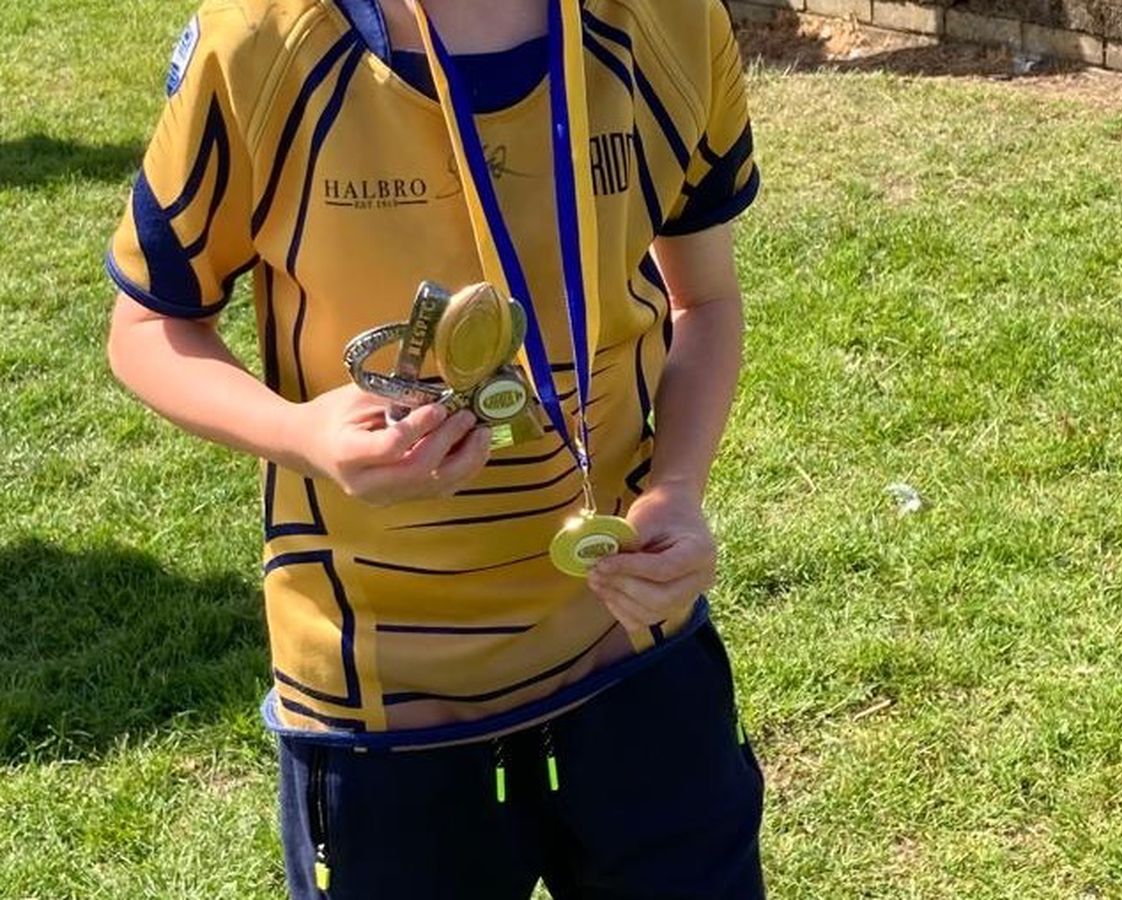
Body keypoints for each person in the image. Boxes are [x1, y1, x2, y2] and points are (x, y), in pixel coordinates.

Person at [105, 0, 763, 896]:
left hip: (636, 652)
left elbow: (706, 301)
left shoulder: (671, 21)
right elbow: (147, 326)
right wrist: (301, 434)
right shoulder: (261, 41)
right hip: (390, 704)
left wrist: (677, 488)